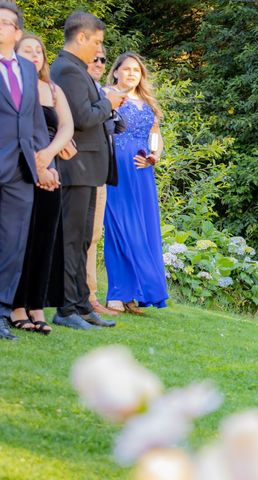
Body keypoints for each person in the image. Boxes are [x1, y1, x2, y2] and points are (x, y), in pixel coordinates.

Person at [50, 11, 127, 330]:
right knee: (72, 238)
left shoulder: (79, 70)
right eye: (96, 42)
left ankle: (82, 304)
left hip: (90, 166)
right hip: (76, 165)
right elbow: (81, 117)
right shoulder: (67, 69)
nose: (99, 49)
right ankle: (66, 309)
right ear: (80, 37)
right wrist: (109, 101)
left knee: (83, 239)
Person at [10, 34, 75, 335]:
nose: (35, 55)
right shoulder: (14, 88)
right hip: (21, 168)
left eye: (39, 50)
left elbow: (67, 127)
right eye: (28, 49)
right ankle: (16, 304)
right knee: (21, 239)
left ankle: (37, 304)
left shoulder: (53, 88)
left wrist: (48, 158)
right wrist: (39, 164)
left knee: (45, 240)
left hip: (51, 169)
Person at [0, 2, 54, 341]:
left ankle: (3, 312)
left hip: (21, 170)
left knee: (13, 242)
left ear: (17, 32)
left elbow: (34, 120)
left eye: (6, 23)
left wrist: (41, 163)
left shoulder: (26, 69)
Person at [103, 52, 168, 313]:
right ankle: (116, 294)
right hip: (115, 170)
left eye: (136, 70)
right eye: (126, 69)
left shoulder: (148, 102)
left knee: (142, 229)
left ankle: (136, 293)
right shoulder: (106, 94)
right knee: (120, 229)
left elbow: (156, 136)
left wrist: (155, 156)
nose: (131, 74)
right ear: (116, 71)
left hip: (142, 173)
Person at [85, 45, 124, 316]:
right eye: (93, 59)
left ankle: (89, 295)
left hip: (101, 170)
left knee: (94, 236)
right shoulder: (79, 89)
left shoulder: (102, 91)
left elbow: (114, 128)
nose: (99, 63)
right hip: (80, 170)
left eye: (102, 60)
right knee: (81, 236)